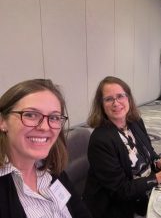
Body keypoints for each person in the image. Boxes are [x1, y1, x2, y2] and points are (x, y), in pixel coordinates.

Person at [82, 76, 161, 218]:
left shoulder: (135, 122)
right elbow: (120, 190)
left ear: (128, 98)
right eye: (109, 99)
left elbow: (149, 151)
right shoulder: (100, 140)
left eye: (120, 96)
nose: (116, 103)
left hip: (146, 188)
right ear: (101, 105)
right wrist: (159, 177)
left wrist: (158, 161)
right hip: (118, 205)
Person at [0, 79, 92, 218]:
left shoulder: (52, 170)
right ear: (2, 122)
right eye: (30, 115)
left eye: (54, 117)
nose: (44, 127)